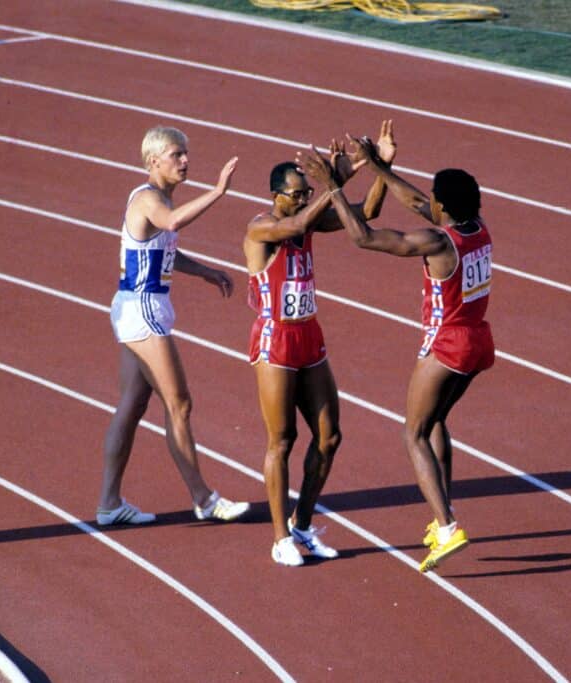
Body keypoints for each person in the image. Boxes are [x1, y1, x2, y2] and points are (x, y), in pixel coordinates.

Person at [297, 134, 493, 573]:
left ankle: (446, 527)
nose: (428, 204)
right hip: (479, 340)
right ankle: (445, 511)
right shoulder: (476, 228)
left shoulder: (438, 243)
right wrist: (378, 167)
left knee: (414, 432)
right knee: (436, 421)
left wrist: (333, 186)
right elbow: (418, 202)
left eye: (434, 201)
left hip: (447, 344)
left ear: (443, 206)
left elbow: (364, 238)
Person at [245, 122, 396, 566]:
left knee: (329, 437)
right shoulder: (261, 227)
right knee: (282, 440)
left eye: (306, 192)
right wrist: (335, 181)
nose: (303, 198)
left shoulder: (305, 219)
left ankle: (304, 526)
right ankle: (279, 539)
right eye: (297, 193)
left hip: (310, 336)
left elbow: (365, 214)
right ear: (276, 194)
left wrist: (380, 168)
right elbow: (295, 222)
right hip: (275, 340)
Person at [97, 126, 249, 526]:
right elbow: (174, 222)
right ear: (153, 161)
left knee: (132, 405)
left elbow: (164, 251)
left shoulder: (158, 200)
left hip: (142, 306)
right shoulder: (150, 199)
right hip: (142, 308)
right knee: (178, 403)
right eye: (176, 154)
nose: (185, 161)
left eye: (185, 153)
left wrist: (204, 271)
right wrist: (218, 192)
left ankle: (109, 503)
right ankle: (204, 498)